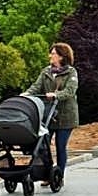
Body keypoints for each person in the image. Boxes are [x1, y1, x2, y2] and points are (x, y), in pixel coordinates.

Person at [24, 43, 79, 185]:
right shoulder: (46, 72)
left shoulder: (71, 72)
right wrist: (26, 94)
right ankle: (48, 174)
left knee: (60, 147)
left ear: (61, 56)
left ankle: (59, 177)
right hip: (48, 115)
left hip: (66, 116)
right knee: (43, 145)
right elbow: (36, 87)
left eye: (53, 53)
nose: (50, 56)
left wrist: (56, 95)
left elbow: (70, 91)